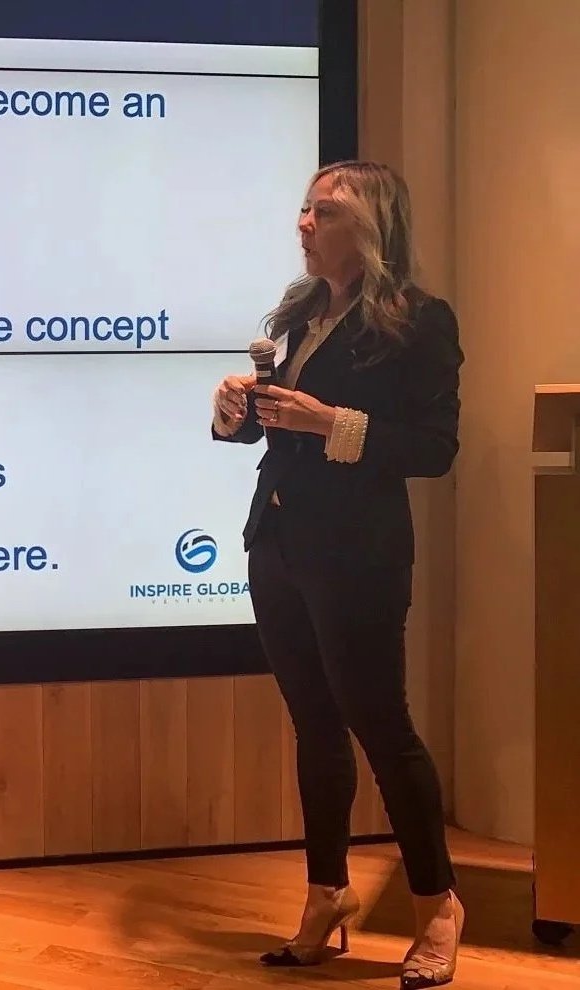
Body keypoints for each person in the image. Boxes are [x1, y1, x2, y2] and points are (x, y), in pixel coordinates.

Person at [211, 160, 465, 990]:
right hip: (278, 546)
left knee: (381, 729)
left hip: (358, 553)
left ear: (372, 226)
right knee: (314, 728)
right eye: (303, 209)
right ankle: (327, 897)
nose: (304, 225)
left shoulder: (419, 322)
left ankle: (438, 908)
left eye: (323, 211)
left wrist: (333, 423)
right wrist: (237, 416)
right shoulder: (299, 313)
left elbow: (433, 450)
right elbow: (279, 434)